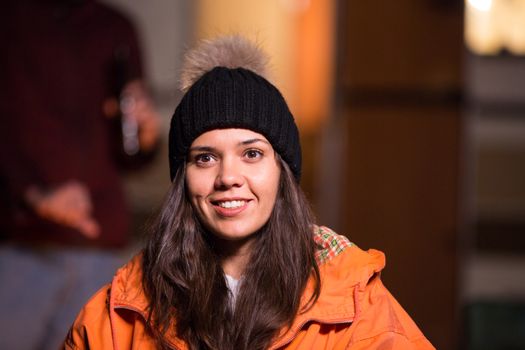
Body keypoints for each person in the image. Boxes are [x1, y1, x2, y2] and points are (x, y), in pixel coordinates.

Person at [64, 35, 434, 350]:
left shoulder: (354, 300)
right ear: (183, 179)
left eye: (252, 154)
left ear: (282, 171)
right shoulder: (121, 311)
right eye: (205, 158)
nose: (228, 177)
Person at [0, 1, 160, 349]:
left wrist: (146, 138)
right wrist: (31, 195)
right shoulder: (10, 20)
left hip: (98, 245)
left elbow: (130, 151)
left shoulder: (116, 26)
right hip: (18, 245)